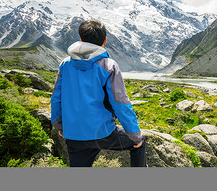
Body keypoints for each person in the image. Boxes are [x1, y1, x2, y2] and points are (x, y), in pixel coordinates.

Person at [50, 19, 146, 167]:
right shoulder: (108, 66)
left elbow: (56, 98)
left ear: (81, 39)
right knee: (139, 145)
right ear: (105, 40)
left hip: (74, 136)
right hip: (103, 133)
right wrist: (136, 136)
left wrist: (59, 126)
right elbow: (120, 103)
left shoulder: (65, 64)